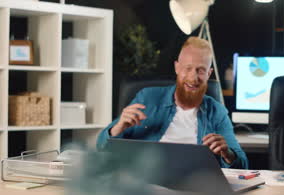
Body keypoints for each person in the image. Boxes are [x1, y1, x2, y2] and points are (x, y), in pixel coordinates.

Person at [97, 36, 248, 169]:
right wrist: (117, 128)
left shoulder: (217, 112)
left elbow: (243, 164)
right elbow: (101, 147)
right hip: (147, 184)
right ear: (177, 67)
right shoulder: (147, 98)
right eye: (187, 68)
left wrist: (228, 154)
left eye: (200, 70)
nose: (193, 78)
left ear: (209, 74)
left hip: (195, 186)